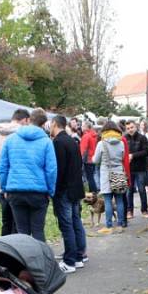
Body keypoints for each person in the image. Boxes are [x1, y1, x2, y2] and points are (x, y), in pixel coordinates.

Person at [0, 108, 57, 242]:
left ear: (29, 120)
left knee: (22, 232)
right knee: (38, 230)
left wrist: (4, 187)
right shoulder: (47, 142)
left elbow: (3, 167)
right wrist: (50, 191)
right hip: (38, 191)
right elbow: (51, 170)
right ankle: (41, 261)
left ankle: (23, 262)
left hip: (15, 190)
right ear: (44, 123)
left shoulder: (10, 139)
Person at [50, 115, 87, 273]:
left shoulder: (58, 142)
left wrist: (54, 190)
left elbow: (59, 169)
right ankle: (79, 256)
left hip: (64, 189)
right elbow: (79, 163)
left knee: (67, 225)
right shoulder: (72, 140)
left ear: (54, 124)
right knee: (75, 222)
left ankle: (70, 261)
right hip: (75, 188)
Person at [0, 111, 24, 236]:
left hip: (2, 183)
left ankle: (5, 249)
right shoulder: (23, 133)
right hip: (19, 182)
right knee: (19, 222)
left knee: (6, 220)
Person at [93, 121, 130, 234]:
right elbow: (123, 157)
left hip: (106, 173)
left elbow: (96, 160)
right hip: (118, 171)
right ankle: (120, 225)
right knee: (119, 200)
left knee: (108, 200)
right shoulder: (121, 143)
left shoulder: (101, 144)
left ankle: (109, 226)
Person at [125, 119, 148, 218]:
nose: (130, 130)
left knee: (141, 190)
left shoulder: (142, 138)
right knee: (129, 191)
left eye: (131, 127)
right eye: (128, 128)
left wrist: (133, 155)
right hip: (129, 169)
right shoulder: (124, 138)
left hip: (140, 168)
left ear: (136, 127)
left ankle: (144, 210)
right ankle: (129, 211)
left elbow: (147, 151)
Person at [79, 121, 99, 192]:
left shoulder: (86, 136)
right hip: (93, 158)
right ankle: (94, 192)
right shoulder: (94, 135)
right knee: (92, 176)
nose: (81, 127)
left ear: (86, 127)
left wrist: (80, 159)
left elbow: (83, 149)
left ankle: (93, 192)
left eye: (82, 126)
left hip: (87, 159)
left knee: (89, 177)